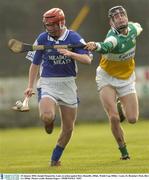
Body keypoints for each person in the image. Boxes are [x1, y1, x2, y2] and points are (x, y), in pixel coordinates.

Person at [24, 8, 92, 166]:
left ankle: (55, 159)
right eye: (47, 25)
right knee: (47, 116)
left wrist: (72, 54)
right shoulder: (42, 38)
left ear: (61, 23)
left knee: (68, 128)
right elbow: (34, 65)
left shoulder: (74, 37)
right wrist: (30, 86)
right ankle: (48, 121)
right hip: (48, 82)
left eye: (51, 25)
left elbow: (88, 59)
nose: (48, 28)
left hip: (68, 84)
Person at [85, 5, 143, 160]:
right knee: (114, 118)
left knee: (132, 119)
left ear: (126, 16)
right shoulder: (113, 38)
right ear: (111, 23)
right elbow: (105, 46)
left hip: (127, 78)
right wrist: (96, 46)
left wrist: (137, 26)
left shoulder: (133, 29)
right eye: (115, 17)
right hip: (107, 78)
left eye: (122, 14)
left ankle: (120, 105)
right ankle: (124, 152)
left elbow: (138, 27)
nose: (120, 18)